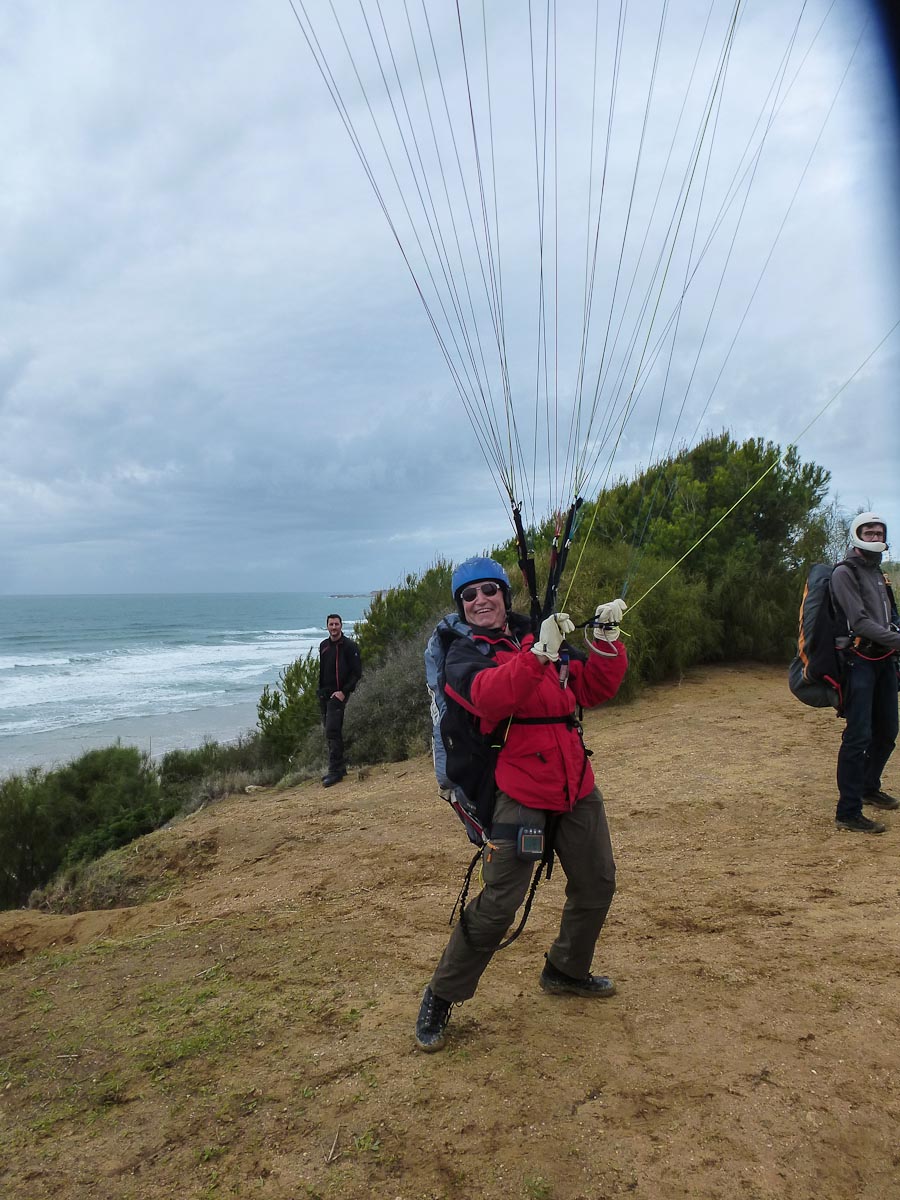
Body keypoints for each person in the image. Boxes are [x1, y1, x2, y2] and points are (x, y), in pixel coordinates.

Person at [415, 557, 628, 1052]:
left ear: (504, 595)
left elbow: (594, 687)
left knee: (597, 882)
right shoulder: (462, 654)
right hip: (518, 787)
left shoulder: (539, 633)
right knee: (498, 905)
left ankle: (566, 969)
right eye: (469, 596)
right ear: (461, 606)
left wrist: (606, 643)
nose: (480, 600)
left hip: (574, 783)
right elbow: (489, 698)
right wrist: (537, 656)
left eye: (489, 590)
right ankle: (442, 993)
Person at [830, 512, 900, 834]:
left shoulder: (879, 574)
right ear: (857, 535)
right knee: (858, 736)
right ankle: (848, 812)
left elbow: (889, 617)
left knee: (887, 731)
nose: (875, 537)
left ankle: (869, 787)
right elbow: (859, 622)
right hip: (858, 662)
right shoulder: (845, 573)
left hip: (884, 661)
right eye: (869, 532)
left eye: (879, 533)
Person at [317, 614, 362, 788]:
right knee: (330, 732)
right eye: (331, 624)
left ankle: (335, 771)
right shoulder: (324, 646)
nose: (334, 627)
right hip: (325, 695)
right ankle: (340, 768)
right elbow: (322, 671)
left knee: (333, 731)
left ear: (341, 625)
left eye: (336, 624)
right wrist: (320, 691)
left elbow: (356, 673)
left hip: (339, 695)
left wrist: (343, 692)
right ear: (327, 626)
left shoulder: (350, 646)